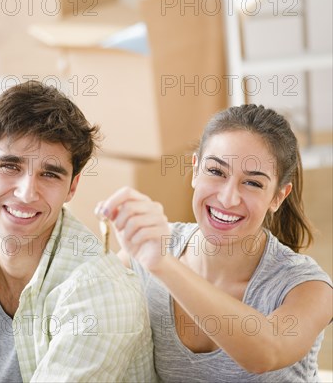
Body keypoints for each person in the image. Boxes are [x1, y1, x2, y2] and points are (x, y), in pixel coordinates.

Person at [96, 104, 332, 382]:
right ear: (195, 170)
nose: (228, 198)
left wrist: (162, 264)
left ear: (278, 197)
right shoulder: (146, 255)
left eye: (253, 184)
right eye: (216, 172)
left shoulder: (308, 287)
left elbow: (266, 353)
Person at [0, 81, 156, 383]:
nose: (26, 193)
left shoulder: (101, 293)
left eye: (49, 174)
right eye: (10, 166)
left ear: (72, 187)